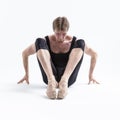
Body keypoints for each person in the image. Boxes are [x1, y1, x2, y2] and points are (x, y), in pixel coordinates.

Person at [17, 16, 99, 99]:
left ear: (67, 31)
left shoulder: (73, 41)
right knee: (39, 41)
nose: (60, 37)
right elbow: (25, 53)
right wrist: (26, 74)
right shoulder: (47, 41)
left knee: (81, 42)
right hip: (49, 77)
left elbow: (94, 54)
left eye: (64, 34)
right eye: (57, 34)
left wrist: (90, 75)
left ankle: (64, 81)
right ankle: (51, 81)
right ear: (53, 31)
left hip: (68, 78)